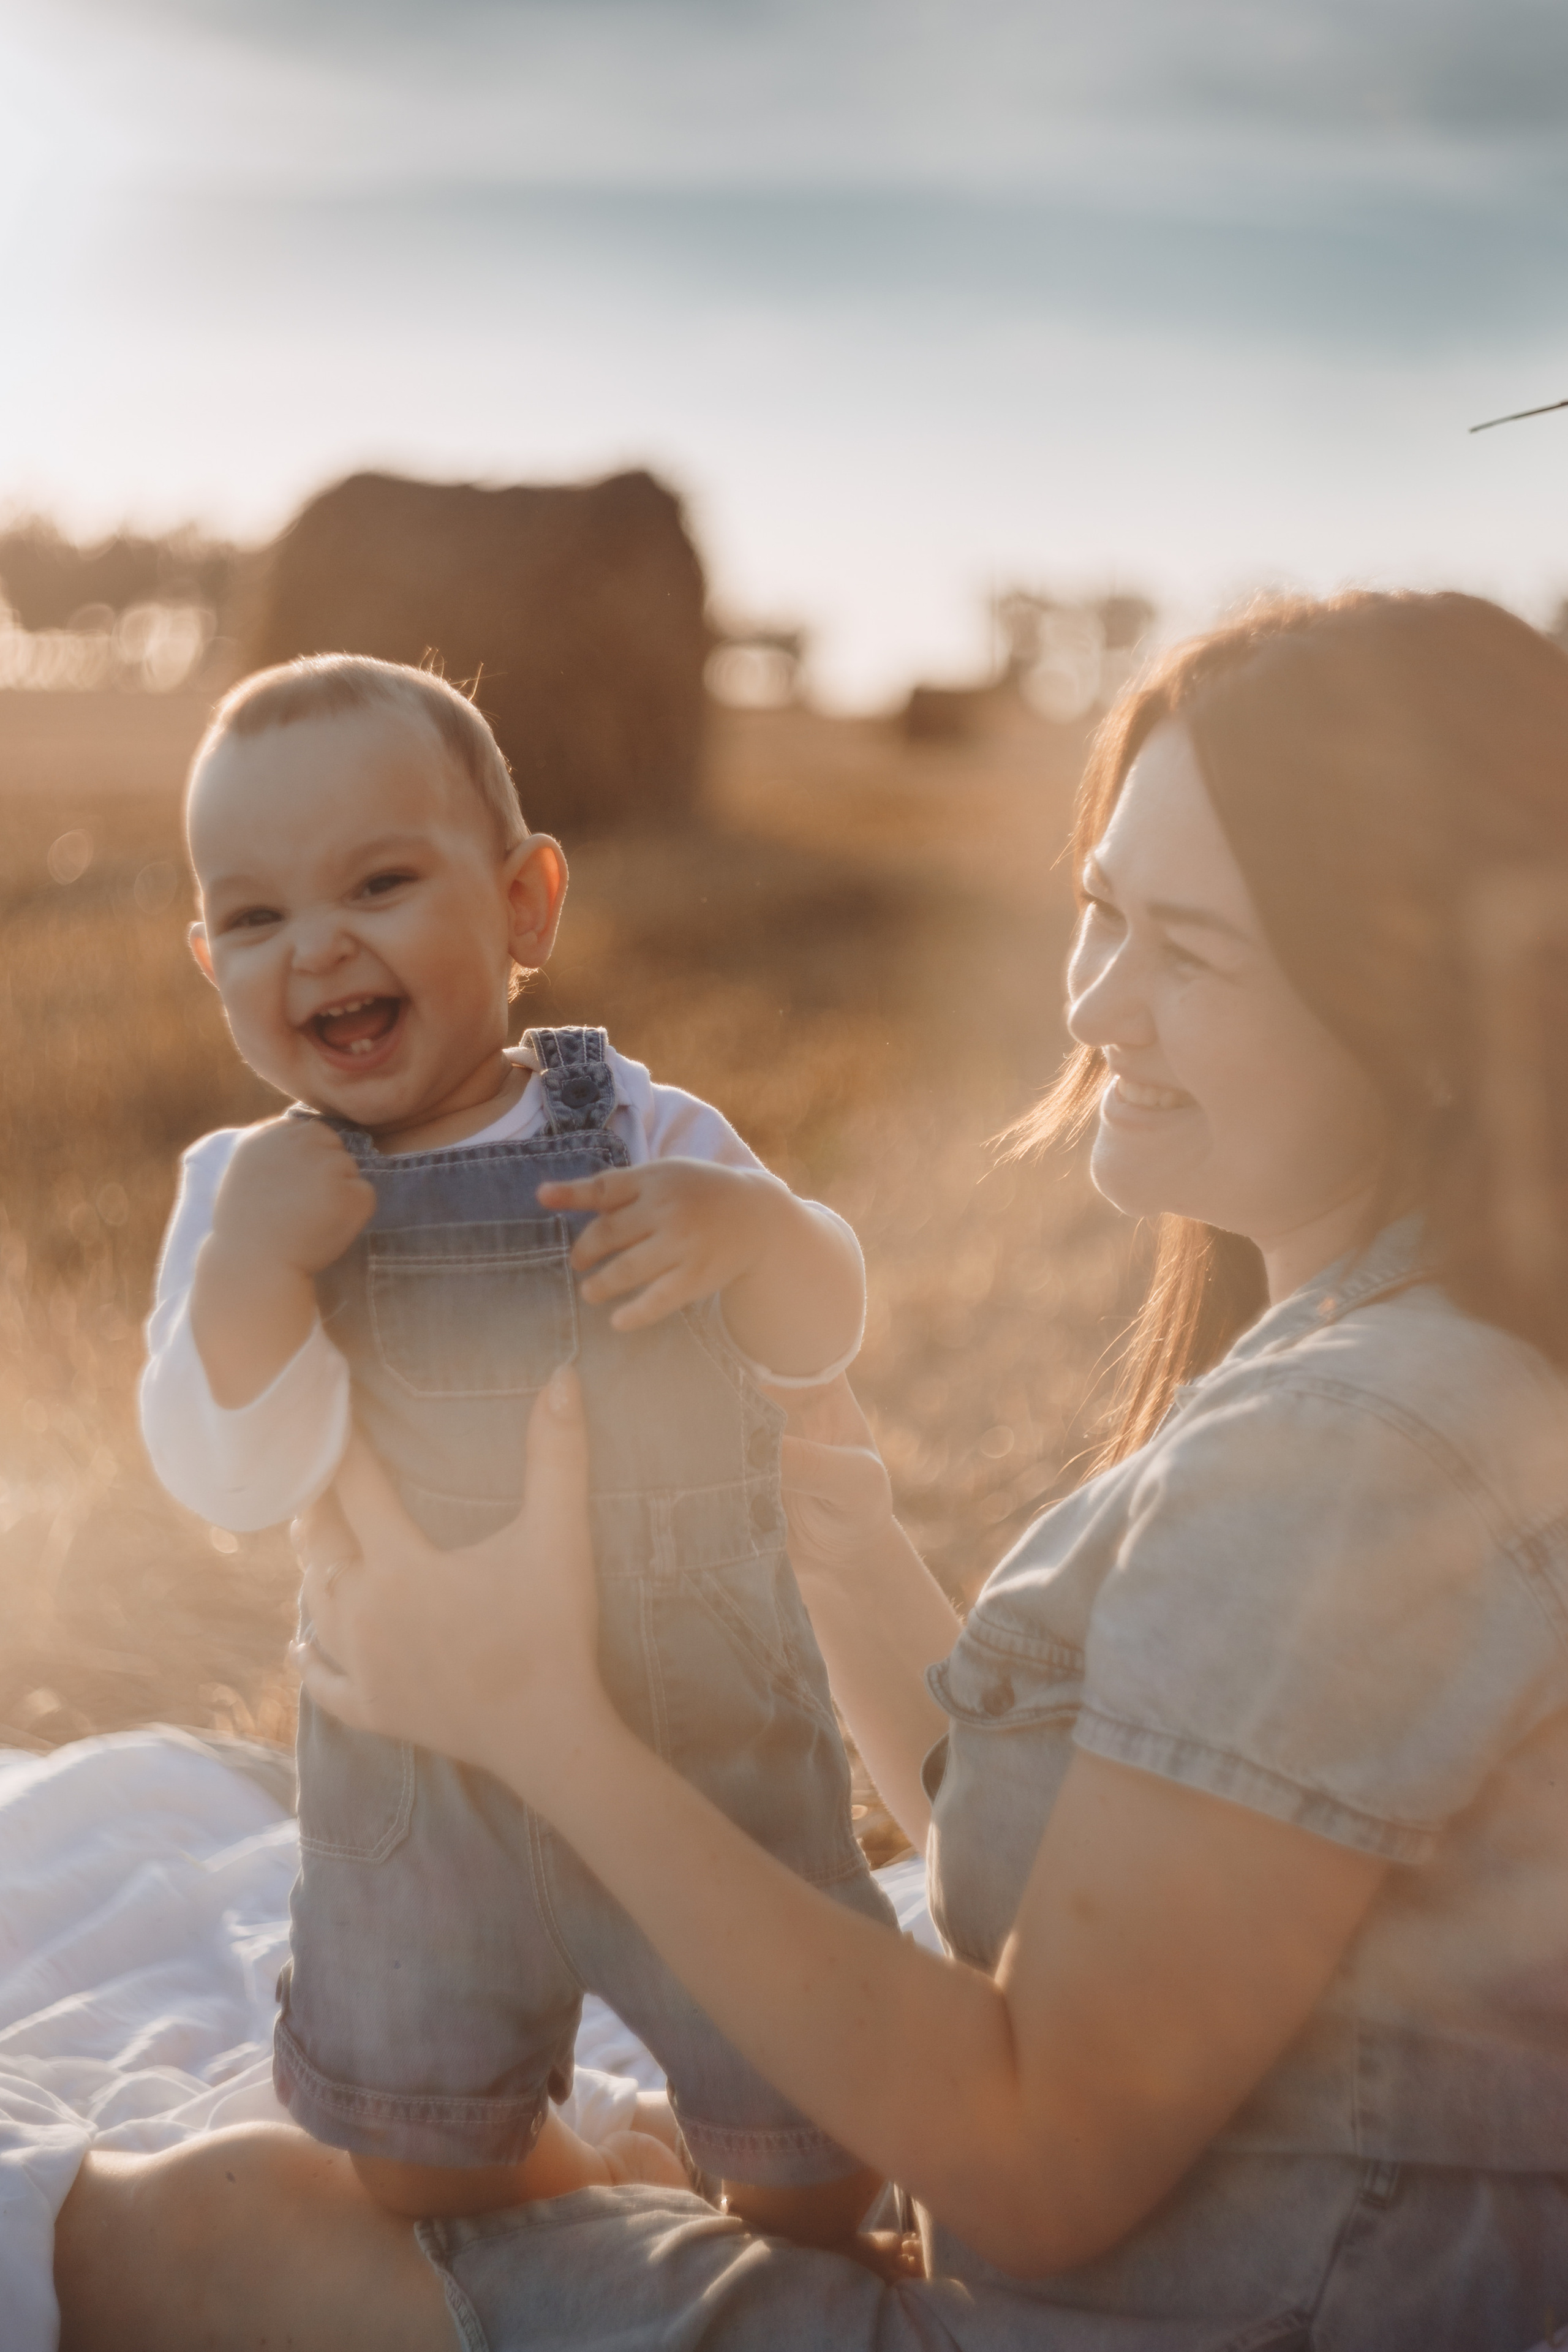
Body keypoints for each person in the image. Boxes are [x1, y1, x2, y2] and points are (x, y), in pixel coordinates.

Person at [61, 591, 1568, 2351]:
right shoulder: (1406, 1368)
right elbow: (1115, 1906)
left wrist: (536, 1720)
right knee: (424, 2158)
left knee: (213, 2229)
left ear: (1424, 1016)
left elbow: (1045, 2161)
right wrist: (837, 1543)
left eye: (1195, 953)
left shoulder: (1360, 1453)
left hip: (1129, 2310)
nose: (1097, 1007)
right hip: (1212, 2261)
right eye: (1099, 909)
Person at [137, 654, 895, 2244]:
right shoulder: (244, 1197)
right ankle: (598, 2187)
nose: (321, 945)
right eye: (260, 918)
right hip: (418, 1774)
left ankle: (791, 2253)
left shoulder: (643, 1133)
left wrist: (758, 1235)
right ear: (212, 961)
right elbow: (229, 1478)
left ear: (526, 903)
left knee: (810, 2142)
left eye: (381, 882)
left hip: (701, 1743)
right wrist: (257, 1277)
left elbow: (821, 1337)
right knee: (423, 2152)